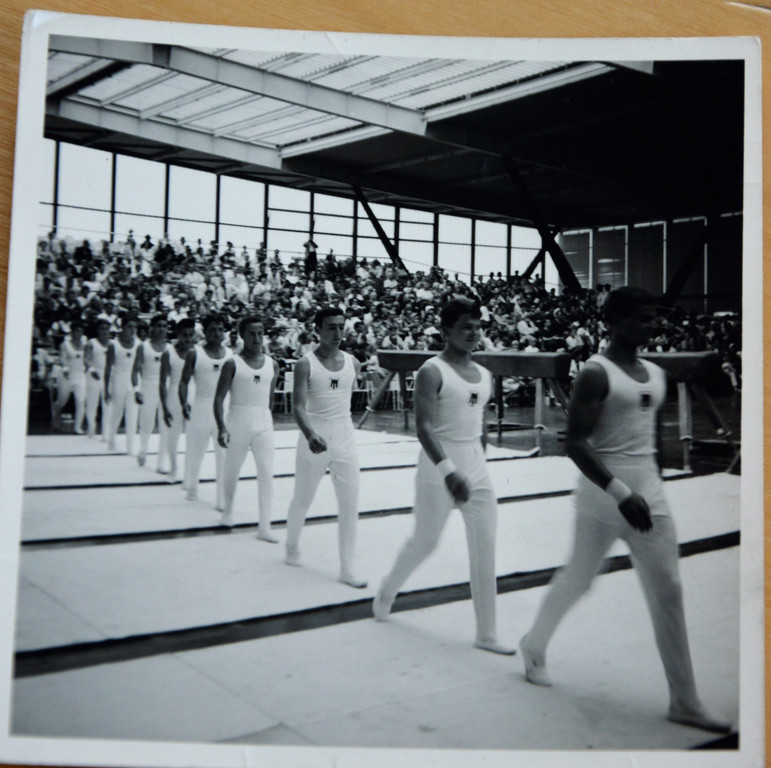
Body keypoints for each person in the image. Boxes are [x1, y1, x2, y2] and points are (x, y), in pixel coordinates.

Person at [518, 286, 730, 733]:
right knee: (579, 579)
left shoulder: (655, 373)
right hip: (602, 492)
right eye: (642, 318)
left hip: (646, 490)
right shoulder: (595, 373)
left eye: (654, 318)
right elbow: (574, 444)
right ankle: (534, 644)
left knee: (668, 588)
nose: (651, 326)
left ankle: (685, 700)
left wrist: (648, 488)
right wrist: (619, 492)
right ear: (614, 322)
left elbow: (646, 445)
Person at [372, 298, 514, 655]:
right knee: (426, 541)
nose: (474, 333)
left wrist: (481, 463)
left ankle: (487, 632)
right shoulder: (431, 371)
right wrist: (449, 471)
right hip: (438, 467)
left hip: (476, 467)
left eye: (478, 326)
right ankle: (387, 590)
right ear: (446, 330)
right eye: (465, 326)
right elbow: (423, 427)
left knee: (485, 548)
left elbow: (478, 426)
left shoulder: (485, 375)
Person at [284, 306, 367, 589]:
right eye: (331, 327)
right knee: (303, 498)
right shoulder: (305, 364)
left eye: (341, 327)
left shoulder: (353, 363)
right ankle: (292, 546)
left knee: (349, 504)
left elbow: (345, 402)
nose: (337, 333)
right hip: (313, 437)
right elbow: (297, 406)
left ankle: (347, 567)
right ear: (317, 329)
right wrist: (309, 434)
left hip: (344, 438)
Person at [214, 316, 280, 536]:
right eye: (252, 333)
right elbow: (218, 398)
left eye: (260, 333)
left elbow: (269, 400)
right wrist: (222, 427)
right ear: (241, 335)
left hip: (262, 422)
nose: (257, 338)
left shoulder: (273, 364)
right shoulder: (232, 363)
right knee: (232, 470)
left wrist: (266, 421)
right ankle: (228, 511)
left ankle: (265, 525)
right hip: (237, 421)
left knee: (267, 473)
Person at [178, 314, 229, 509]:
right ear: (205, 332)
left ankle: (221, 498)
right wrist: (184, 402)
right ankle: (192, 486)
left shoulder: (231, 355)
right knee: (195, 451)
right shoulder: (194, 353)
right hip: (200, 406)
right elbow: (183, 381)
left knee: (223, 454)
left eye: (220, 329)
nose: (216, 334)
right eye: (212, 330)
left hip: (223, 409)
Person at [159, 318, 197, 484]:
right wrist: (164, 406)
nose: (187, 339)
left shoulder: (197, 352)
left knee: (192, 437)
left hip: (194, 395)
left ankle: (189, 474)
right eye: (184, 335)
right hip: (174, 395)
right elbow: (162, 382)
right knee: (172, 435)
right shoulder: (169, 353)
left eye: (190, 335)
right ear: (178, 334)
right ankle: (173, 469)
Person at [132, 314, 170, 470]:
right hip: (148, 386)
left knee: (166, 425)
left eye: (164, 326)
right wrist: (137, 390)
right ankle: (143, 449)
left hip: (165, 388)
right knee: (146, 423)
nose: (162, 329)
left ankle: (162, 461)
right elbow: (135, 371)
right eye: (159, 326)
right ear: (152, 328)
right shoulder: (143, 346)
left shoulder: (170, 348)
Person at [104, 315, 140, 454]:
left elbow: (139, 368)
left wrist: (139, 388)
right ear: (122, 328)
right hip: (118, 380)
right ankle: (111, 440)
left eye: (134, 327)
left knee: (132, 415)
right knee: (117, 413)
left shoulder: (138, 344)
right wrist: (107, 389)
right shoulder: (114, 345)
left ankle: (130, 447)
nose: (132, 330)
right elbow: (108, 368)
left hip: (134, 382)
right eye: (129, 327)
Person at [51, 318, 87, 434]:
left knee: (81, 401)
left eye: (81, 331)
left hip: (81, 376)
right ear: (71, 332)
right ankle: (55, 418)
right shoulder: (65, 344)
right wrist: (66, 369)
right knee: (62, 401)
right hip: (67, 376)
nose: (79, 333)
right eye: (76, 331)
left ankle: (78, 427)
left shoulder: (85, 344)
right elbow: (63, 359)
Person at [83, 318, 112, 440]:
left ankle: (106, 433)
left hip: (108, 377)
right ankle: (91, 430)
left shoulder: (113, 344)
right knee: (92, 405)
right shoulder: (91, 343)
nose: (105, 331)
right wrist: (91, 370)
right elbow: (86, 359)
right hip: (94, 376)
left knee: (108, 406)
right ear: (97, 330)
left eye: (106, 328)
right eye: (102, 328)